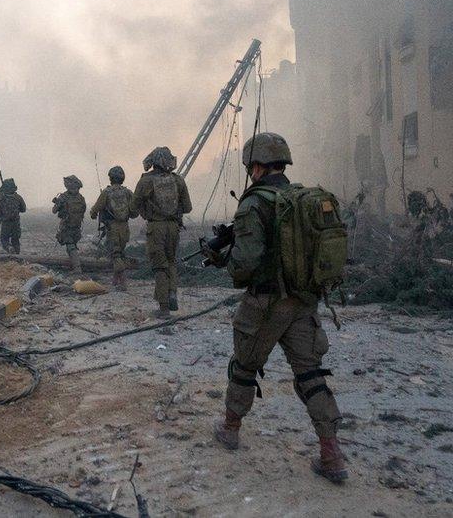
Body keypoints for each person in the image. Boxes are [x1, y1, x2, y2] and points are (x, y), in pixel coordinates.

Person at [208, 132, 348, 483]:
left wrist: (222, 259)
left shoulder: (254, 204)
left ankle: (230, 427)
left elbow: (245, 265)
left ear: (255, 166)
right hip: (303, 301)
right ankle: (331, 454)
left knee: (244, 366)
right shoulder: (300, 198)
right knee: (312, 375)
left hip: (266, 303)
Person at [131, 147, 191, 318]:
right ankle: (172, 293)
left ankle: (164, 308)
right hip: (174, 227)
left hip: (156, 227)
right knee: (171, 261)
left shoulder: (145, 181)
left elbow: (133, 208)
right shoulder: (178, 180)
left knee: (159, 265)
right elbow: (188, 207)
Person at [90, 165, 136, 290]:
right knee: (120, 252)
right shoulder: (128, 192)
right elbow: (135, 212)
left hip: (112, 227)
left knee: (115, 255)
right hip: (125, 227)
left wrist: (94, 214)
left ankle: (123, 283)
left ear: (110, 178)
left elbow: (94, 211)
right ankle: (115, 280)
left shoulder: (106, 192)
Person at [52, 175, 87, 274]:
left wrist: (56, 202)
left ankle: (77, 268)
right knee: (72, 246)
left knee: (70, 246)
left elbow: (54, 211)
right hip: (77, 226)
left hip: (67, 226)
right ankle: (74, 265)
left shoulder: (63, 197)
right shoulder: (81, 198)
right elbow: (83, 210)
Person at [0, 178, 26, 254]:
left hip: (6, 223)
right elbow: (23, 209)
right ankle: (17, 257)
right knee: (16, 241)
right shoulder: (18, 197)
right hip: (16, 223)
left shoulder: (0, 198)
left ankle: (9, 248)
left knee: (4, 240)